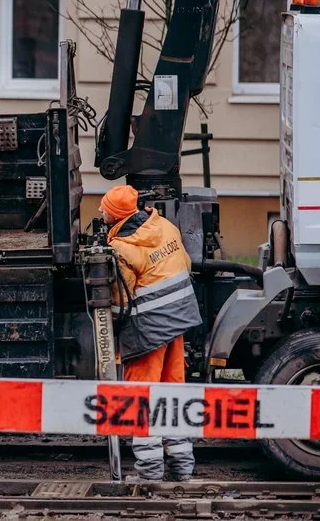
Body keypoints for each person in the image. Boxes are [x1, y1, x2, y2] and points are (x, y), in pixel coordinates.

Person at [100, 185, 202, 482]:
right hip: (177, 322)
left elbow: (121, 299)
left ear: (116, 214)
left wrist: (115, 331)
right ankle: (182, 466)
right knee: (172, 393)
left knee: (141, 397)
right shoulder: (164, 225)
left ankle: (149, 473)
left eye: (104, 207)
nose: (99, 211)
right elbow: (185, 263)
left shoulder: (122, 248)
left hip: (149, 332)